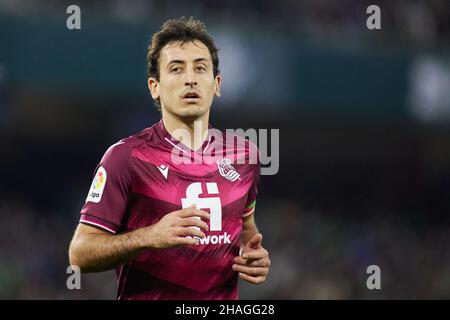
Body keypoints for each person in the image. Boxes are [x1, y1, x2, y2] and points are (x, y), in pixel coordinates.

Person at [68, 17, 270, 300]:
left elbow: (245, 225)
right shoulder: (126, 157)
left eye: (200, 68)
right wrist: (149, 236)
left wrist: (252, 253)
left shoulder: (245, 156)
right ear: (155, 87)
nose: (190, 78)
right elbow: (80, 253)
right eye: (176, 69)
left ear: (216, 84)